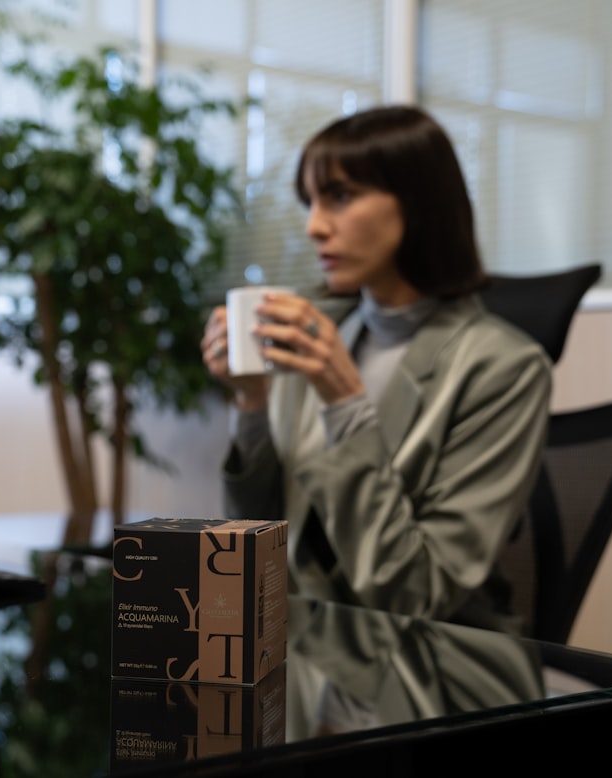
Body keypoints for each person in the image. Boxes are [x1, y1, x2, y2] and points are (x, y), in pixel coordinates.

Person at [200, 105, 551, 634]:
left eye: (340, 196)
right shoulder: (320, 336)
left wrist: (345, 402)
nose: (314, 226)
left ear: (418, 204)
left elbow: (417, 595)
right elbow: (254, 541)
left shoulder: (506, 369)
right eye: (311, 202)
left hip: (433, 664)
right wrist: (252, 400)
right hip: (309, 652)